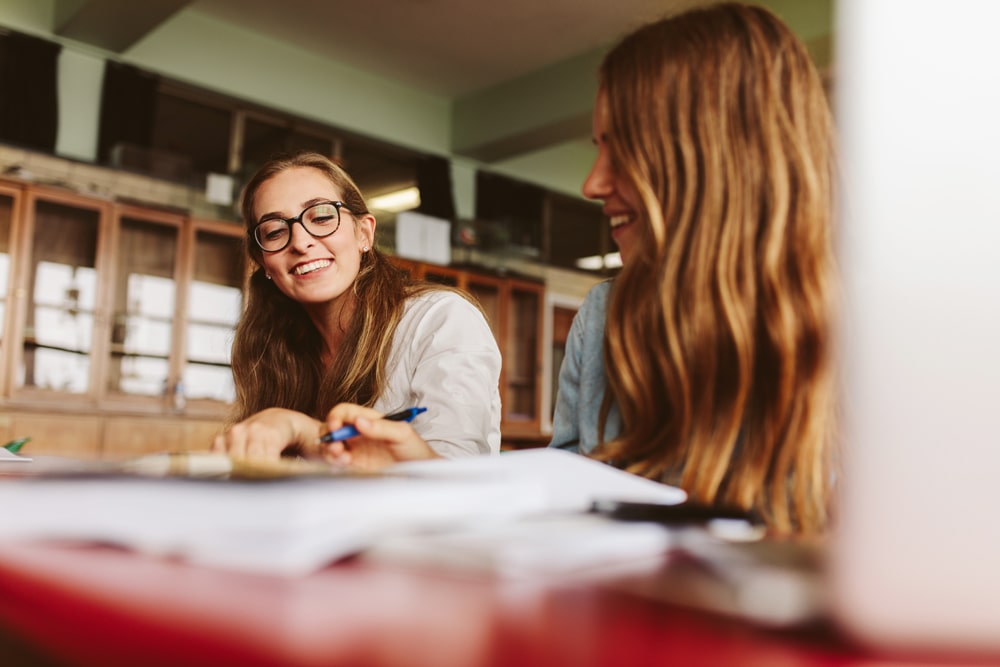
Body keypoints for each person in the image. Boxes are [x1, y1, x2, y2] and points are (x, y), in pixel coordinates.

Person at [549, 3, 837, 536]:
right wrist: (424, 471)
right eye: (598, 149)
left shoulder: (880, 340)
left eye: (625, 148)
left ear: (720, 154)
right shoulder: (602, 316)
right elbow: (558, 500)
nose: (591, 184)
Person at [212, 151, 501, 467]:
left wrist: (303, 431)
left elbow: (457, 477)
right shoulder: (274, 350)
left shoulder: (441, 320)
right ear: (264, 262)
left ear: (364, 233)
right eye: (275, 231)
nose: (300, 241)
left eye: (321, 217)